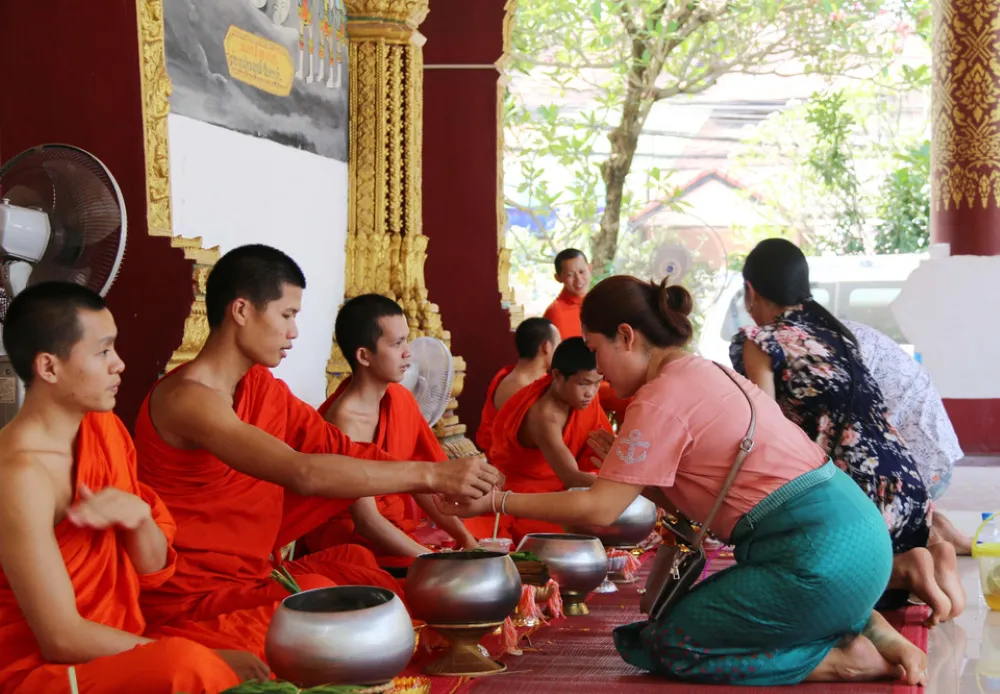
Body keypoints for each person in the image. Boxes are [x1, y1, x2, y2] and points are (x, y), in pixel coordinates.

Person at [440, 276, 928, 687]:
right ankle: (865, 622)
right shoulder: (709, 371)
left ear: (626, 336)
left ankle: (836, 660)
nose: (598, 372)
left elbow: (600, 511)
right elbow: (706, 485)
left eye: (596, 351)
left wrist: (497, 501)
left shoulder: (658, 397)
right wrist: (632, 475)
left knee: (667, 644)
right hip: (858, 538)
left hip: (818, 559)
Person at [134, 245, 498, 650]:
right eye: (287, 315)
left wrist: (449, 490)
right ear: (241, 311)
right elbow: (301, 471)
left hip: (254, 577)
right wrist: (432, 473)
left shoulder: (262, 391)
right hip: (191, 597)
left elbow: (339, 451)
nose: (293, 332)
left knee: (362, 576)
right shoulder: (188, 400)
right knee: (337, 621)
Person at [0, 282, 255, 694]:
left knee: (255, 648)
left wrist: (138, 518)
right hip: (38, 670)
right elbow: (60, 638)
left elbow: (151, 569)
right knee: (189, 666)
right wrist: (200, 656)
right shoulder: (19, 475)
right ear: (49, 367)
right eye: (103, 352)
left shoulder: (102, 427)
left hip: (119, 636)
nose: (119, 364)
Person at [731, 238, 964, 625]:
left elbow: (767, 427)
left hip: (863, 502)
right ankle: (927, 556)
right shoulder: (837, 333)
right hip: (907, 490)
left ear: (751, 291)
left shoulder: (762, 340)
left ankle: (905, 568)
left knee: (807, 577)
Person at [300, 294, 478, 566]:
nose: (408, 352)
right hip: (351, 545)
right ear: (364, 356)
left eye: (406, 339)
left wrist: (466, 539)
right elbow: (367, 521)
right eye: (397, 344)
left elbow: (420, 481)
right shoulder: (344, 423)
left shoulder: (400, 400)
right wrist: (434, 561)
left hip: (395, 534)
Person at [465, 337, 611, 543]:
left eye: (597, 383)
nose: (591, 393)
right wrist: (621, 489)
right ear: (558, 376)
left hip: (571, 491)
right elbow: (571, 478)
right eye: (584, 384)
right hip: (530, 499)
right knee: (578, 536)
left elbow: (603, 447)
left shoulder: (581, 398)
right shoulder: (543, 417)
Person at [844, 318, 970, 554]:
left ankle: (921, 544)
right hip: (936, 457)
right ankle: (933, 528)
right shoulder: (840, 331)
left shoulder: (806, 348)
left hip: (917, 471)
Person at [477, 317, 560, 454]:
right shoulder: (516, 388)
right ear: (547, 347)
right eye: (558, 345)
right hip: (511, 468)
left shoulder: (537, 380)